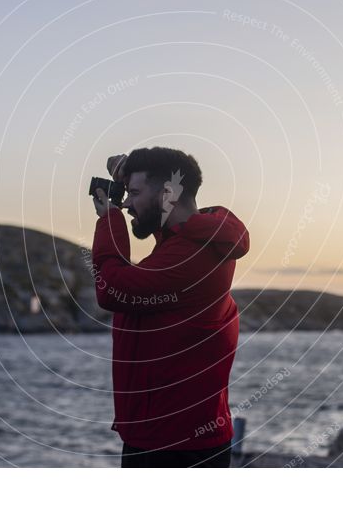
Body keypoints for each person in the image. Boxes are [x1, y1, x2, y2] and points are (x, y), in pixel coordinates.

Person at [91, 147, 250, 468]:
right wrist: (127, 173)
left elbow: (113, 288)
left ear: (167, 194)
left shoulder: (190, 257)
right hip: (174, 435)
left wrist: (109, 220)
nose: (125, 203)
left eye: (133, 193)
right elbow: (171, 226)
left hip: (173, 445)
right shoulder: (196, 240)